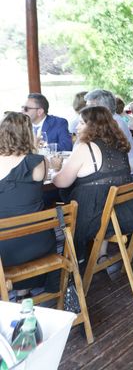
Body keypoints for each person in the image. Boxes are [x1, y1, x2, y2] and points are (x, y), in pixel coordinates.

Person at [51, 106, 133, 261]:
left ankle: (74, 258)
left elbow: (62, 182)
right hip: (125, 213)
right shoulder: (119, 144)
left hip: (94, 218)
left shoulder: (86, 147)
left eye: (82, 123)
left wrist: (55, 170)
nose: (77, 127)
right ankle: (100, 253)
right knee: (99, 193)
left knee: (60, 199)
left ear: (94, 126)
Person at [0, 112, 57, 293]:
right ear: (28, 134)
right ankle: (24, 291)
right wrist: (33, 147)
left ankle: (17, 293)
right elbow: (46, 177)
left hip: (4, 248)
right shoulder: (37, 162)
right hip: (37, 242)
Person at [84, 89, 133, 177]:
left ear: (103, 108)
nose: (86, 111)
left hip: (129, 175)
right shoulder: (108, 120)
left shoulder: (115, 124)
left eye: (90, 107)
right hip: (117, 171)